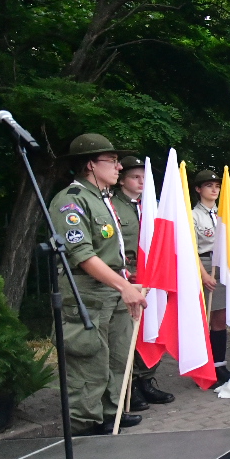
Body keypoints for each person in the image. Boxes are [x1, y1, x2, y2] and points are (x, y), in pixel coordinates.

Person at [50, 134, 148, 435]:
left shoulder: (103, 200)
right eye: (112, 161)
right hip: (87, 293)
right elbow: (83, 256)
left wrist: (125, 283)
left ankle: (108, 413)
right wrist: (124, 286)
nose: (119, 166)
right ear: (90, 164)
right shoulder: (71, 200)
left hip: (112, 289)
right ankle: (84, 424)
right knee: (89, 358)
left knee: (117, 356)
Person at [113, 157, 171, 409]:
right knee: (129, 335)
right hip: (129, 279)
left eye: (144, 177)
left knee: (154, 329)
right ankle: (131, 386)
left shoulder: (154, 206)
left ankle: (147, 380)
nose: (141, 182)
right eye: (135, 177)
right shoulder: (112, 206)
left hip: (153, 278)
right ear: (122, 179)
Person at [192, 169, 230, 385]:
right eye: (209, 186)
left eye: (217, 186)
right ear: (198, 189)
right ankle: (202, 367)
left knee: (220, 319)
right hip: (204, 264)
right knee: (203, 319)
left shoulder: (223, 214)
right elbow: (191, 248)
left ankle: (220, 366)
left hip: (222, 265)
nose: (214, 190)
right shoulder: (193, 215)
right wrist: (204, 274)